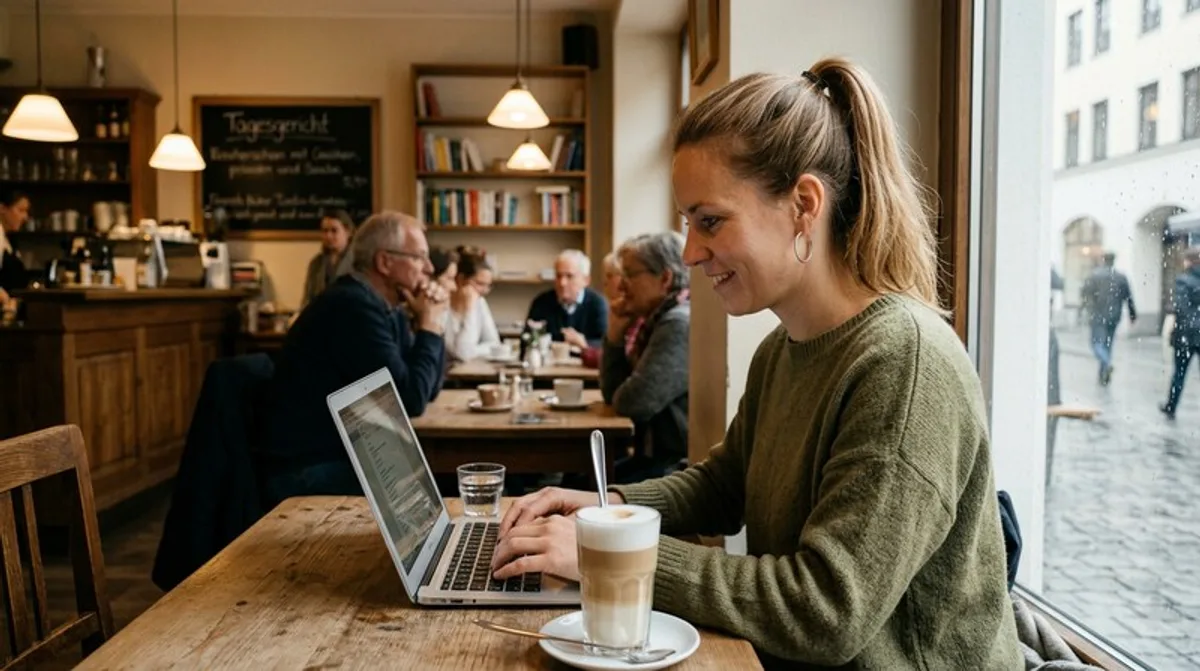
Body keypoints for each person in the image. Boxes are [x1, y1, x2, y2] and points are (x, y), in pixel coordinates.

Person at [491, 60, 1021, 668]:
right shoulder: (783, 348)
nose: (690, 252)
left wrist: (609, 551)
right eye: (688, 225)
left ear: (803, 205)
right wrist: (605, 506)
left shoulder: (905, 363)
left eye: (709, 221)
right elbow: (724, 485)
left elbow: (825, 611)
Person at [261, 211, 448, 505]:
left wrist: (431, 322)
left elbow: (428, 387)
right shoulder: (352, 308)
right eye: (419, 257)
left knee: (441, 483)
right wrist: (430, 326)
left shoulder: (386, 307)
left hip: (348, 455)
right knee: (442, 488)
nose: (428, 267)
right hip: (309, 469)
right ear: (385, 262)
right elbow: (410, 399)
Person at [599, 232, 690, 482]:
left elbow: (634, 403)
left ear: (665, 278)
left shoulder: (678, 323)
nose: (620, 286)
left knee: (582, 486)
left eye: (629, 274)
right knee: (579, 480)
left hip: (675, 469)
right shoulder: (651, 321)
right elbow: (612, 395)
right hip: (652, 459)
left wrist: (622, 394)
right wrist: (615, 335)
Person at [524, 249, 607, 348]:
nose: (562, 283)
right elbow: (525, 340)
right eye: (558, 276)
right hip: (550, 362)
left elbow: (606, 345)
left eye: (569, 276)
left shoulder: (597, 305)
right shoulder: (541, 302)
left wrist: (584, 343)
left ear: (586, 280)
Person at [1080, 251, 1136, 386]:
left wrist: (1084, 310)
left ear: (1103, 260)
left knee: (1096, 344)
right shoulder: (1121, 277)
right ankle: (1103, 375)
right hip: (1114, 315)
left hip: (1098, 314)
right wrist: (1132, 314)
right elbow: (1128, 297)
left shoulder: (1094, 275)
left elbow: (1085, 294)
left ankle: (1106, 363)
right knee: (1108, 345)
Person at [1160, 247, 1200, 419]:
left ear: (1189, 261)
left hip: (1187, 335)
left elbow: (1182, 308)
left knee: (1179, 372)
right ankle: (1170, 406)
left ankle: (1171, 406)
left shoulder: (1183, 280)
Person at [443, 245, 501, 362]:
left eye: (488, 285)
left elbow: (495, 343)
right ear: (460, 279)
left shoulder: (479, 302)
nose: (485, 291)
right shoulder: (442, 305)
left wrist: (473, 350)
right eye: (480, 284)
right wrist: (468, 311)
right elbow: (462, 354)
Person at [300, 209, 355, 309]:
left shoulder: (358, 262)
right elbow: (307, 300)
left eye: (334, 231)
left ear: (348, 232)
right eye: (325, 231)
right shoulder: (316, 263)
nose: (328, 236)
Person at [0, 190, 32, 303]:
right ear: (2, 208)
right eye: (21, 210)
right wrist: (5, 300)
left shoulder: (9, 239)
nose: (25, 217)